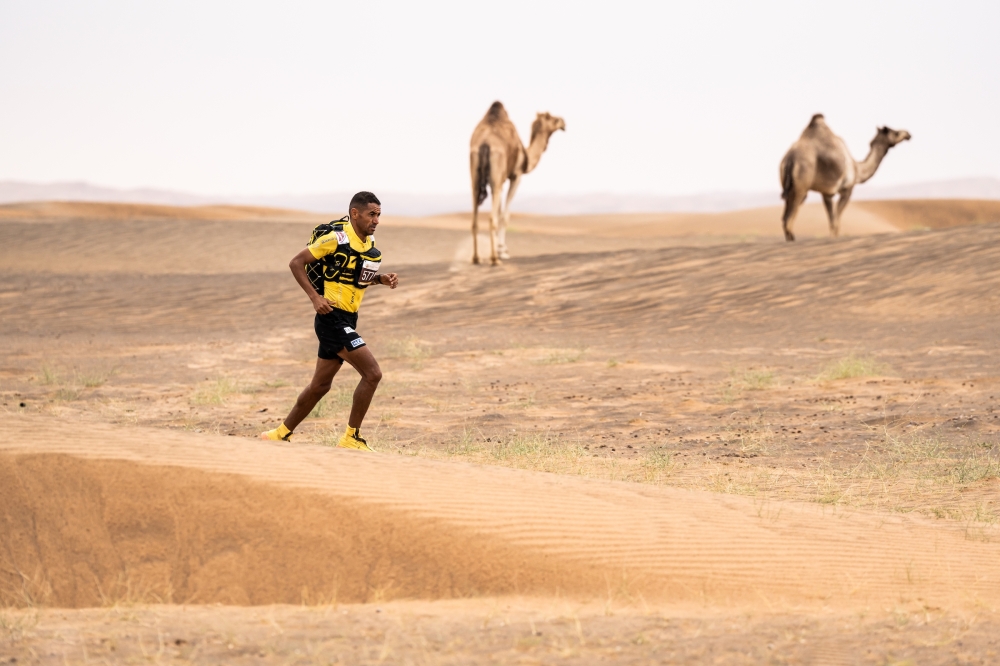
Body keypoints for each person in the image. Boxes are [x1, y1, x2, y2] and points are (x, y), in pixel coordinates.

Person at [261, 191, 398, 450]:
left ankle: (280, 433)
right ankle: (351, 437)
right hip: (331, 318)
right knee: (373, 374)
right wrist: (315, 298)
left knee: (320, 386)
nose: (376, 220)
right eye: (371, 214)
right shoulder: (335, 239)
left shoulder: (369, 246)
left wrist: (381, 279)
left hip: (349, 318)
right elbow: (296, 262)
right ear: (355, 214)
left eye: (379, 215)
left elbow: (357, 277)